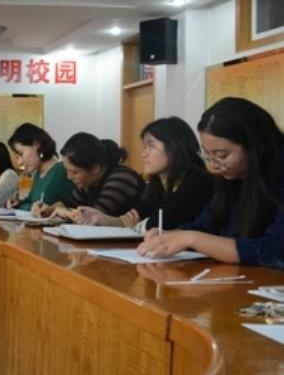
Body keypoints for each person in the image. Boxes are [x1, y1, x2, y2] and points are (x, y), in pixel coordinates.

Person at [138, 98, 284, 268]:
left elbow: (273, 251)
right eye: (208, 155)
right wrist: (171, 235)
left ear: (257, 147)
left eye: (222, 155)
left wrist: (191, 238)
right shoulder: (233, 177)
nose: (214, 165)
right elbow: (206, 224)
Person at [75, 117, 213, 229]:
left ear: (174, 147)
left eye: (151, 146)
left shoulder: (197, 180)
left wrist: (135, 226)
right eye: (145, 147)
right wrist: (102, 218)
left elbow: (162, 223)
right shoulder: (158, 184)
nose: (144, 154)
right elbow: (134, 217)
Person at [34, 133, 144, 219]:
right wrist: (49, 209)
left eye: (74, 172)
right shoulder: (90, 181)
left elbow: (93, 218)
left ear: (95, 168)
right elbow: (69, 203)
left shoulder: (121, 178)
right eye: (67, 170)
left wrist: (64, 212)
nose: (69, 177)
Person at [6, 122, 75, 211]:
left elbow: (38, 208)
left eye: (21, 154)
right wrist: (17, 203)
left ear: (36, 144)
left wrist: (23, 206)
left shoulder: (60, 171)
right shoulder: (38, 173)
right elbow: (30, 203)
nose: (19, 162)